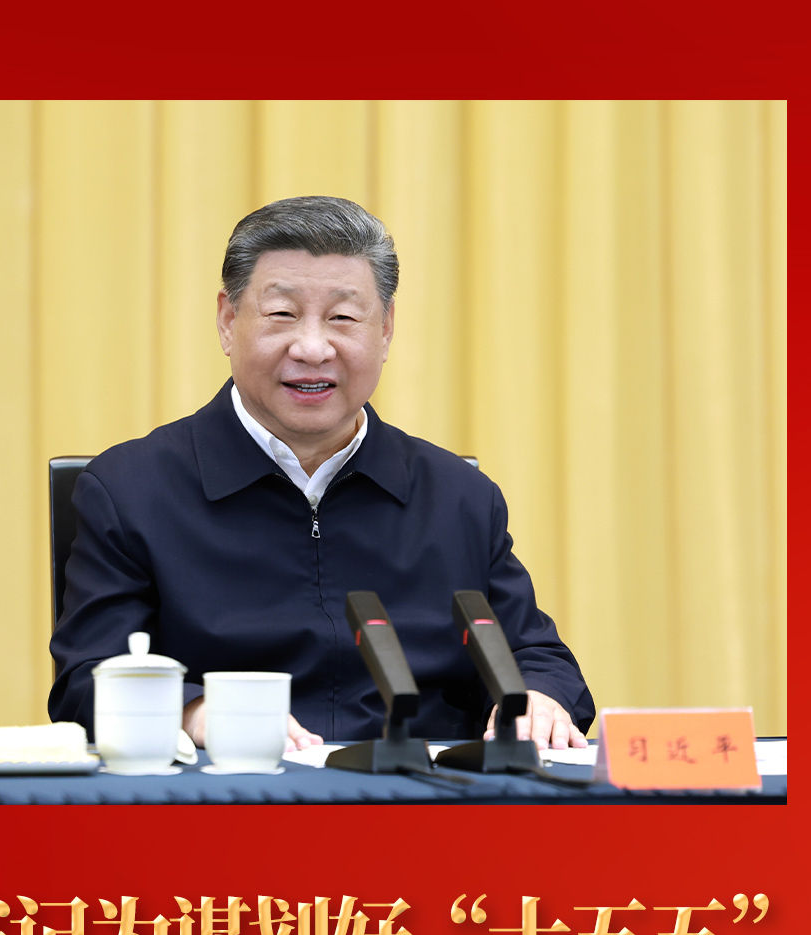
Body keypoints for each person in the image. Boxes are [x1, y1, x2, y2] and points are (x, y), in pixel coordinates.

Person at [49, 196, 594, 751]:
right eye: (282, 314)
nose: (312, 348)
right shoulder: (131, 491)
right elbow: (85, 680)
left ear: (386, 329)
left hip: (418, 793)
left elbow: (536, 655)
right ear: (228, 321)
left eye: (343, 318)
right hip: (233, 788)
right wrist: (193, 712)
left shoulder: (459, 498)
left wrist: (539, 699)